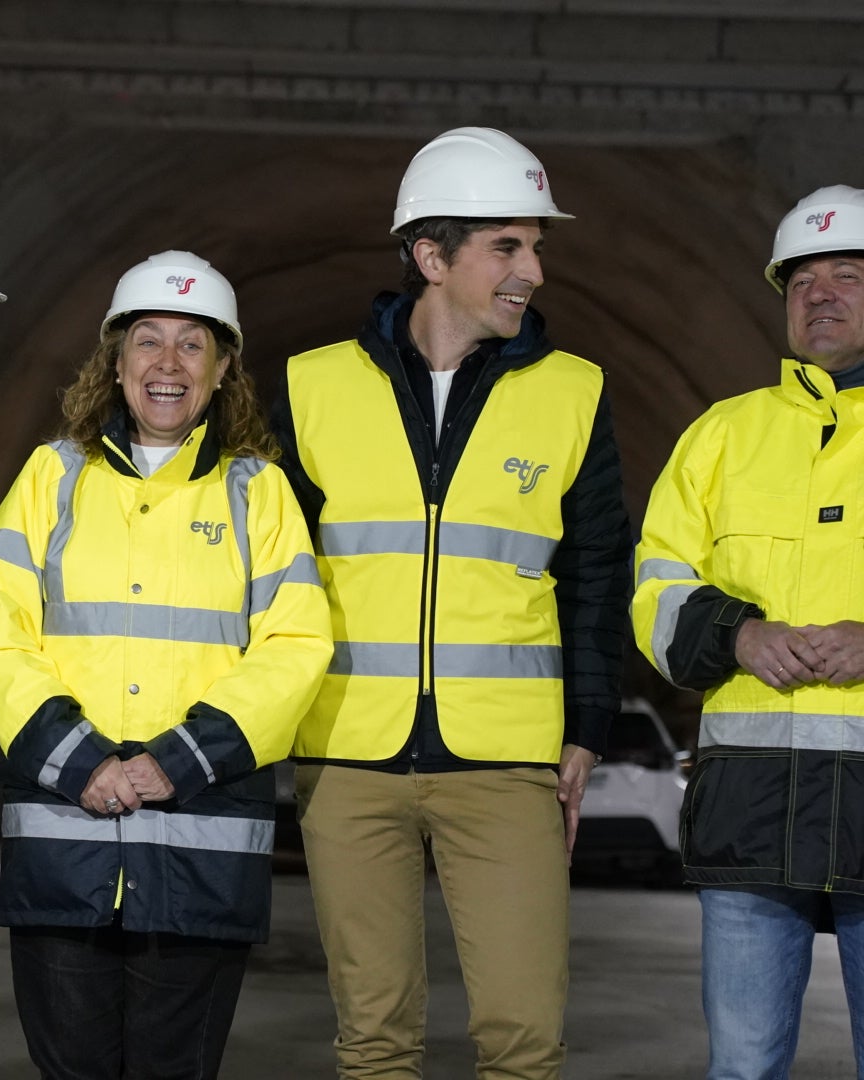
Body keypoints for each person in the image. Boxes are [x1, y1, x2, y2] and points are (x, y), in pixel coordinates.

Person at [273, 127, 631, 1078]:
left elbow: (596, 575)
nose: (534, 271)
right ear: (432, 257)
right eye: (508, 247)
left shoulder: (573, 394)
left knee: (523, 1040)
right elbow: (270, 577)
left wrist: (586, 728)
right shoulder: (310, 388)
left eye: (538, 247)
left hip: (508, 762)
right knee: (374, 1041)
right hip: (346, 754)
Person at [0, 251, 332, 1079]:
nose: (169, 364)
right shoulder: (52, 479)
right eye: (149, 342)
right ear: (116, 362)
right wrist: (81, 762)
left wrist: (174, 763)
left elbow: (296, 647)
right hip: (65, 841)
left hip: (201, 851)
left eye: (193, 345)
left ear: (225, 365)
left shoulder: (258, 493)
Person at [633, 184, 864, 1079]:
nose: (822, 294)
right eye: (802, 280)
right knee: (742, 1070)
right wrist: (737, 638)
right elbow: (654, 585)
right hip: (750, 809)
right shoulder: (720, 437)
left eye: (847, 274)